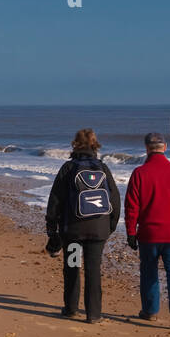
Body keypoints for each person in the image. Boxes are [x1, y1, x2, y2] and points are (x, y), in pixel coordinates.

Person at [45, 128, 120, 323]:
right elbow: (115, 200)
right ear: (95, 145)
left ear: (75, 144)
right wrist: (109, 227)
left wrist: (52, 229)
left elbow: (55, 201)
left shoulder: (68, 169)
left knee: (72, 267)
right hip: (98, 230)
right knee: (93, 270)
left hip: (73, 231)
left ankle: (70, 309)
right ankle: (94, 315)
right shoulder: (103, 168)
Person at [124, 132, 170, 328]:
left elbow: (132, 207)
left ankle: (150, 311)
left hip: (149, 233)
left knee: (149, 271)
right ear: (165, 147)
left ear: (146, 148)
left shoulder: (139, 173)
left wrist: (131, 232)